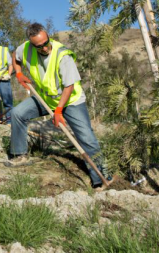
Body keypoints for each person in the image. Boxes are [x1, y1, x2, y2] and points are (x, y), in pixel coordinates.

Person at [8, 22, 112, 189]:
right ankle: (20, 155)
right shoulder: (26, 48)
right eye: (39, 46)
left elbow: (69, 86)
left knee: (87, 138)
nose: (44, 48)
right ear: (32, 44)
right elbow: (15, 55)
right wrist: (19, 73)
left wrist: (58, 111)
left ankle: (102, 177)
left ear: (48, 36)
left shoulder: (62, 55)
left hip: (71, 101)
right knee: (17, 113)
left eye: (46, 42)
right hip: (47, 98)